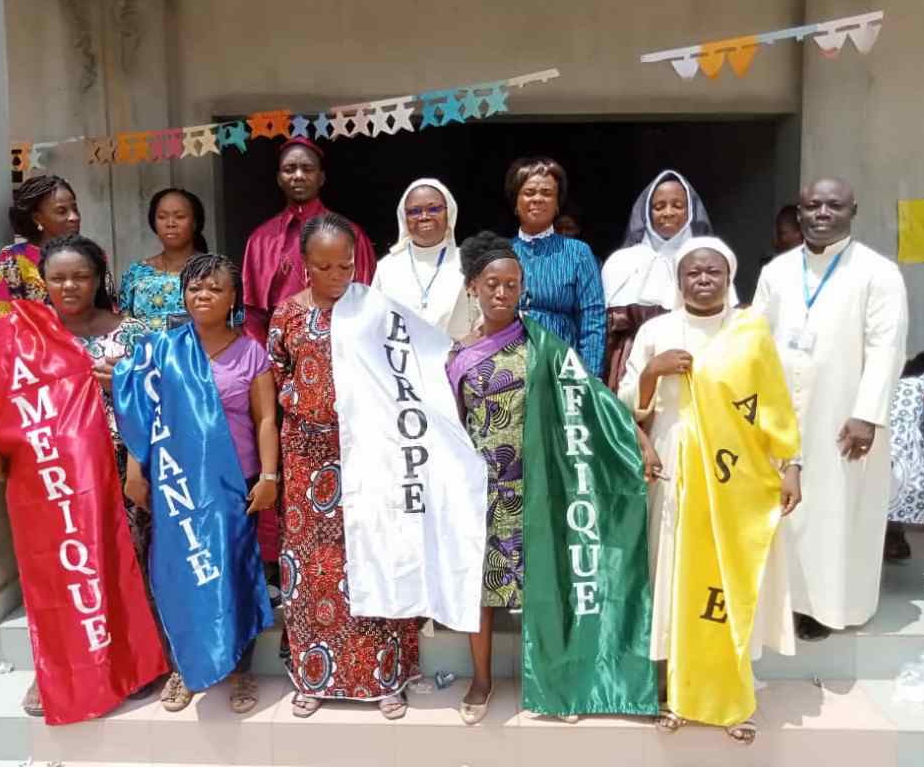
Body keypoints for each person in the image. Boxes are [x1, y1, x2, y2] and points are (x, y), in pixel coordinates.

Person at [449, 231, 658, 726]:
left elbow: (593, 400)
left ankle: (556, 682)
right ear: (472, 287)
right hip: (482, 492)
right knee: (479, 591)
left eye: (512, 285)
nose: (502, 293)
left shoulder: (544, 345)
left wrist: (640, 441)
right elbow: (449, 425)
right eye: (492, 284)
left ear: (523, 289)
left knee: (546, 584)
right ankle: (481, 680)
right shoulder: (456, 355)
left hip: (540, 487)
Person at [0, 234, 162, 720]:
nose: (69, 286)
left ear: (99, 279)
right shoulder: (18, 333)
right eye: (58, 278)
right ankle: (54, 670)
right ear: (42, 281)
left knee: (124, 567)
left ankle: (135, 663)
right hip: (50, 485)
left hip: (120, 476)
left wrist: (126, 383)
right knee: (58, 577)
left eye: (81, 276)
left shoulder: (134, 334)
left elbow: (167, 395)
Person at [618, 237, 801, 745]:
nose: (702, 280)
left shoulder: (750, 332)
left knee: (727, 580)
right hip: (674, 467)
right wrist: (652, 371)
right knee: (675, 577)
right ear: (679, 281)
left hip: (736, 477)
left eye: (712, 272)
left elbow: (776, 405)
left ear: (729, 277)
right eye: (692, 273)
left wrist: (792, 465)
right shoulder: (656, 331)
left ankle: (730, 696)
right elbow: (625, 405)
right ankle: (675, 693)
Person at [268, 213, 420, 720]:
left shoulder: (376, 311)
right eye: (324, 267)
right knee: (313, 567)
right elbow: (277, 377)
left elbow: (404, 377)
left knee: (373, 558)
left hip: (369, 455)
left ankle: (385, 677)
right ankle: (313, 677)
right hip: (306, 458)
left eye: (346, 266)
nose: (337, 276)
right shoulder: (287, 314)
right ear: (304, 265)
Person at [120, 253, 277, 714]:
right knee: (179, 575)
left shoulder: (251, 352)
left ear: (233, 298)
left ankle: (239, 669)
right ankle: (184, 668)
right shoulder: (161, 350)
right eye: (194, 287)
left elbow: (266, 420)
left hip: (234, 484)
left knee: (234, 573)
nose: (203, 295)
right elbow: (141, 416)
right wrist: (135, 471)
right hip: (176, 486)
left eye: (214, 288)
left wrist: (269, 477)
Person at [754, 178, 908, 641]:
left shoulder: (878, 273)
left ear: (852, 210)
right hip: (782, 411)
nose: (822, 213)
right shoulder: (777, 271)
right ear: (799, 212)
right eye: (812, 205)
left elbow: (886, 348)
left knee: (834, 510)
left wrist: (868, 413)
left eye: (833, 205)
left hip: (841, 414)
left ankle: (826, 607)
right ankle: (782, 603)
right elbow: (754, 339)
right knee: (783, 512)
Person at [242, 137, 376, 344]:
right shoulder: (260, 241)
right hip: (282, 350)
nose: (298, 176)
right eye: (289, 169)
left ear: (321, 177)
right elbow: (252, 316)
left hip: (341, 348)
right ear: (279, 178)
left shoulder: (351, 234)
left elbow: (367, 302)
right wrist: (265, 360)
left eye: (307, 169)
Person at [601, 170, 716, 390]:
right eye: (659, 206)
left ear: (691, 211)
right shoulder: (619, 263)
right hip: (628, 369)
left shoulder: (708, 262)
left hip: (692, 362)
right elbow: (605, 331)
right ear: (646, 212)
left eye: (678, 205)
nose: (668, 212)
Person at [506, 156, 606, 376]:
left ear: (557, 203)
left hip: (561, 366)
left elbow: (593, 318)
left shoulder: (578, 253)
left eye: (547, 193)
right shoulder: (499, 253)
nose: (537, 199)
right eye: (529, 192)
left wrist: (590, 379)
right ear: (516, 201)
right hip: (508, 367)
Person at [372, 178, 473, 338]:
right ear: (404, 217)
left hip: (459, 352)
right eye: (414, 211)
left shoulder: (469, 262)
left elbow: (484, 321)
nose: (424, 216)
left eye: (434, 209)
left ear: (449, 213)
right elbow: (374, 323)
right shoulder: (387, 267)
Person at [0, 174, 81, 319]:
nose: (74, 217)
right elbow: (3, 318)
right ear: (37, 218)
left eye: (75, 209)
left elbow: (109, 310)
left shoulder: (92, 255)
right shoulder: (13, 260)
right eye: (62, 211)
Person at [885, 341, 924, 560]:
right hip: (907, 448)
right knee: (898, 491)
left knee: (889, 492)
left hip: (884, 442)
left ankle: (891, 538)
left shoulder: (898, 379)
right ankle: (893, 538)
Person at [118, 188, 208, 331]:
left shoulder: (214, 271)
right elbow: (124, 327)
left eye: (180, 217)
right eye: (162, 217)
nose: (170, 223)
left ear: (195, 222)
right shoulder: (136, 273)